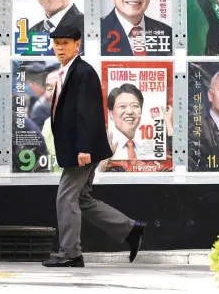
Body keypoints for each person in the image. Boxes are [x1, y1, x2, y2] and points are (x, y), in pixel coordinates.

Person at [42, 26, 146, 268]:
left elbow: (88, 114)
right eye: (56, 43)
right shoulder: (67, 71)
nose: (59, 48)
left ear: (77, 44)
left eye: (65, 43)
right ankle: (130, 229)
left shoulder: (83, 72)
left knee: (65, 198)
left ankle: (71, 254)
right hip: (78, 147)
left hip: (83, 149)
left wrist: (84, 149)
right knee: (81, 199)